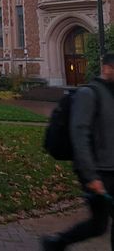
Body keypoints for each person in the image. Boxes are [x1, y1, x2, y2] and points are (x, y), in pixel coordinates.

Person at [41, 52, 114, 250]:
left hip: (110, 167)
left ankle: (57, 243)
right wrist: (91, 176)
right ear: (107, 68)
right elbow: (79, 134)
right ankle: (57, 242)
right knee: (98, 225)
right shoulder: (89, 94)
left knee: (99, 225)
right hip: (99, 172)